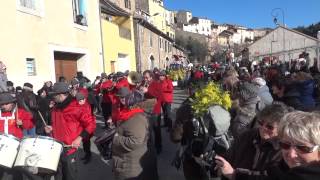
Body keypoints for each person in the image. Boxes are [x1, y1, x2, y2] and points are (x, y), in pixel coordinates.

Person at [215, 103, 290, 180]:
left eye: (270, 127)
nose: (263, 128)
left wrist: (234, 174)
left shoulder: (283, 149)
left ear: (281, 129)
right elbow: (230, 154)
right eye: (261, 123)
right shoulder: (248, 135)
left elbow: (269, 176)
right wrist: (220, 163)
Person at [45, 82, 96, 180]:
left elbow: (91, 124)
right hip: (56, 148)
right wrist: (51, 128)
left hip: (69, 149)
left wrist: (79, 138)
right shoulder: (56, 108)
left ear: (60, 94)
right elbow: (58, 125)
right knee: (58, 176)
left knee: (69, 176)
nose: (52, 97)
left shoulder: (76, 107)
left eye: (54, 95)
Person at [112, 87, 155, 180]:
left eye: (124, 97)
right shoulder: (124, 108)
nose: (122, 99)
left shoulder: (137, 116)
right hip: (127, 158)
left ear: (130, 97)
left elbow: (135, 141)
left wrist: (115, 138)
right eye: (120, 97)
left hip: (131, 163)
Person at [0, 92, 33, 180]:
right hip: (1, 146)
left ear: (12, 103)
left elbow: (30, 124)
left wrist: (23, 123)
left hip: (16, 146)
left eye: (6, 104)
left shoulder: (20, 112)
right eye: (1, 104)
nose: (3, 106)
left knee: (15, 170)